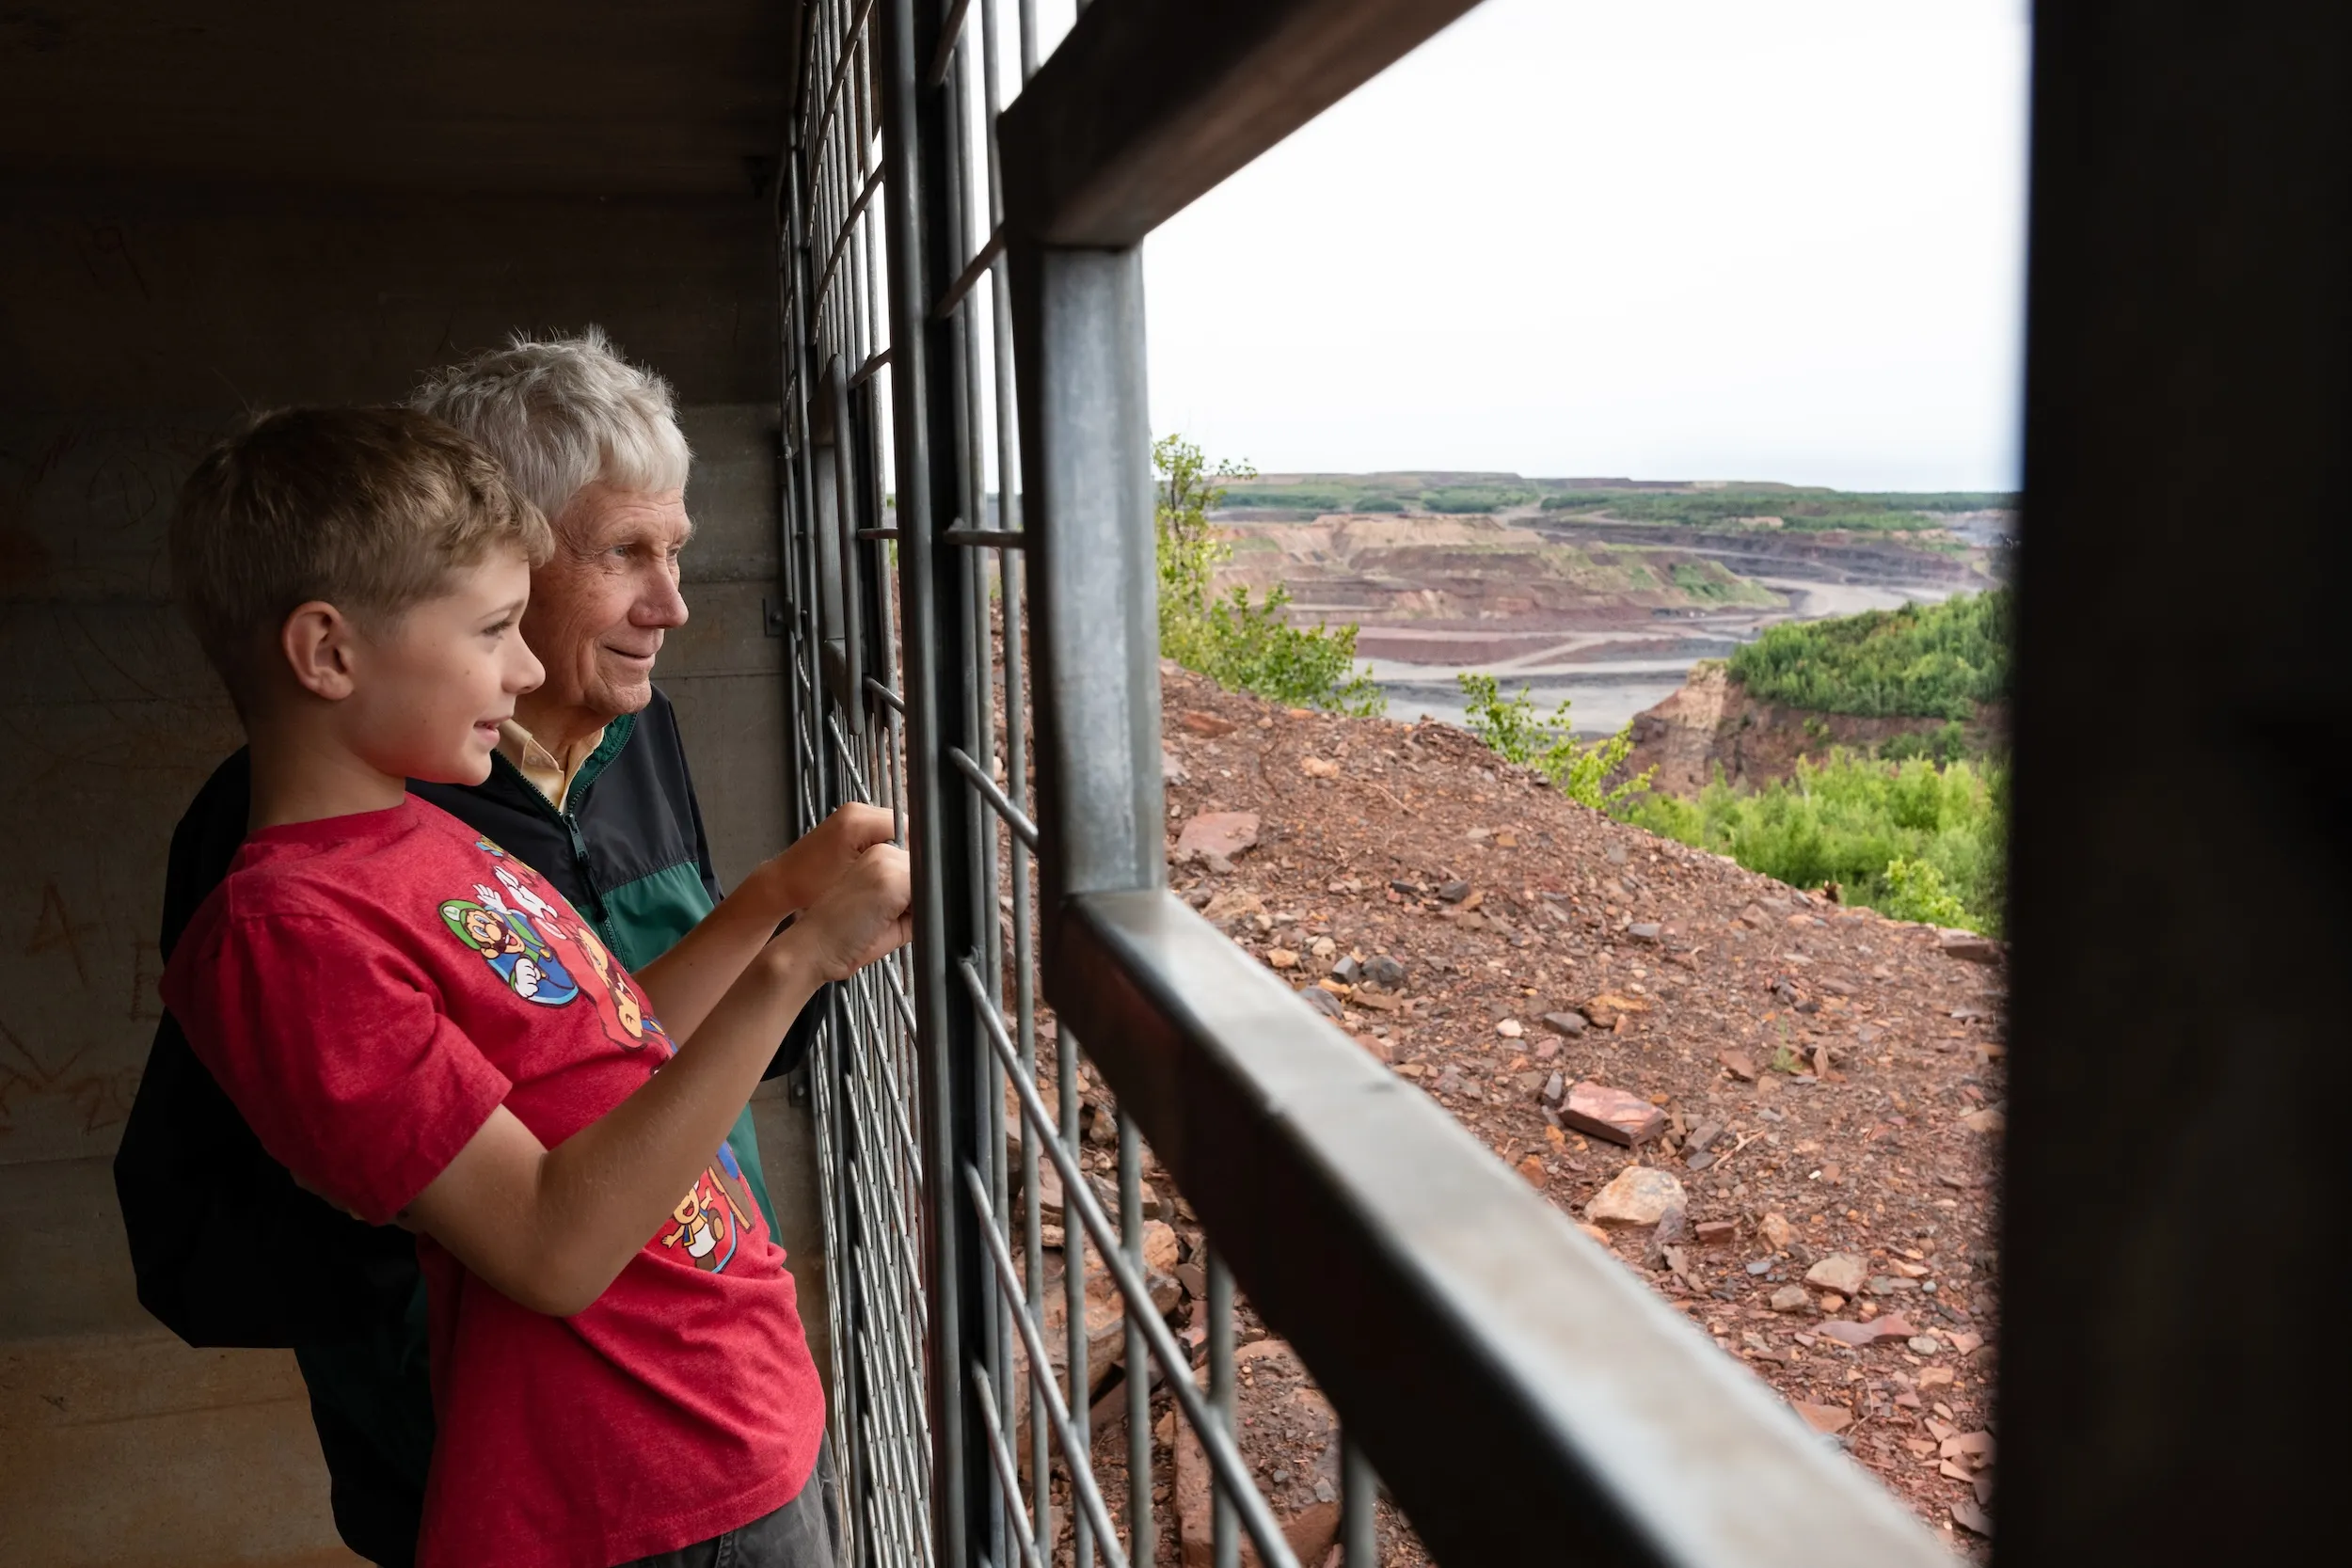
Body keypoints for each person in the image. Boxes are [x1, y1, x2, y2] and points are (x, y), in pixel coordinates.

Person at [113, 333, 862, 1565]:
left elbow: (606, 1040)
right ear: (332, 651)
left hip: (726, 1416)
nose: (673, 603)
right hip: (596, 1478)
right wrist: (787, 961)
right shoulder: (287, 904)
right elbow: (527, 1230)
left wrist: (779, 910)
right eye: (621, 552)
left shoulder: (454, 809)